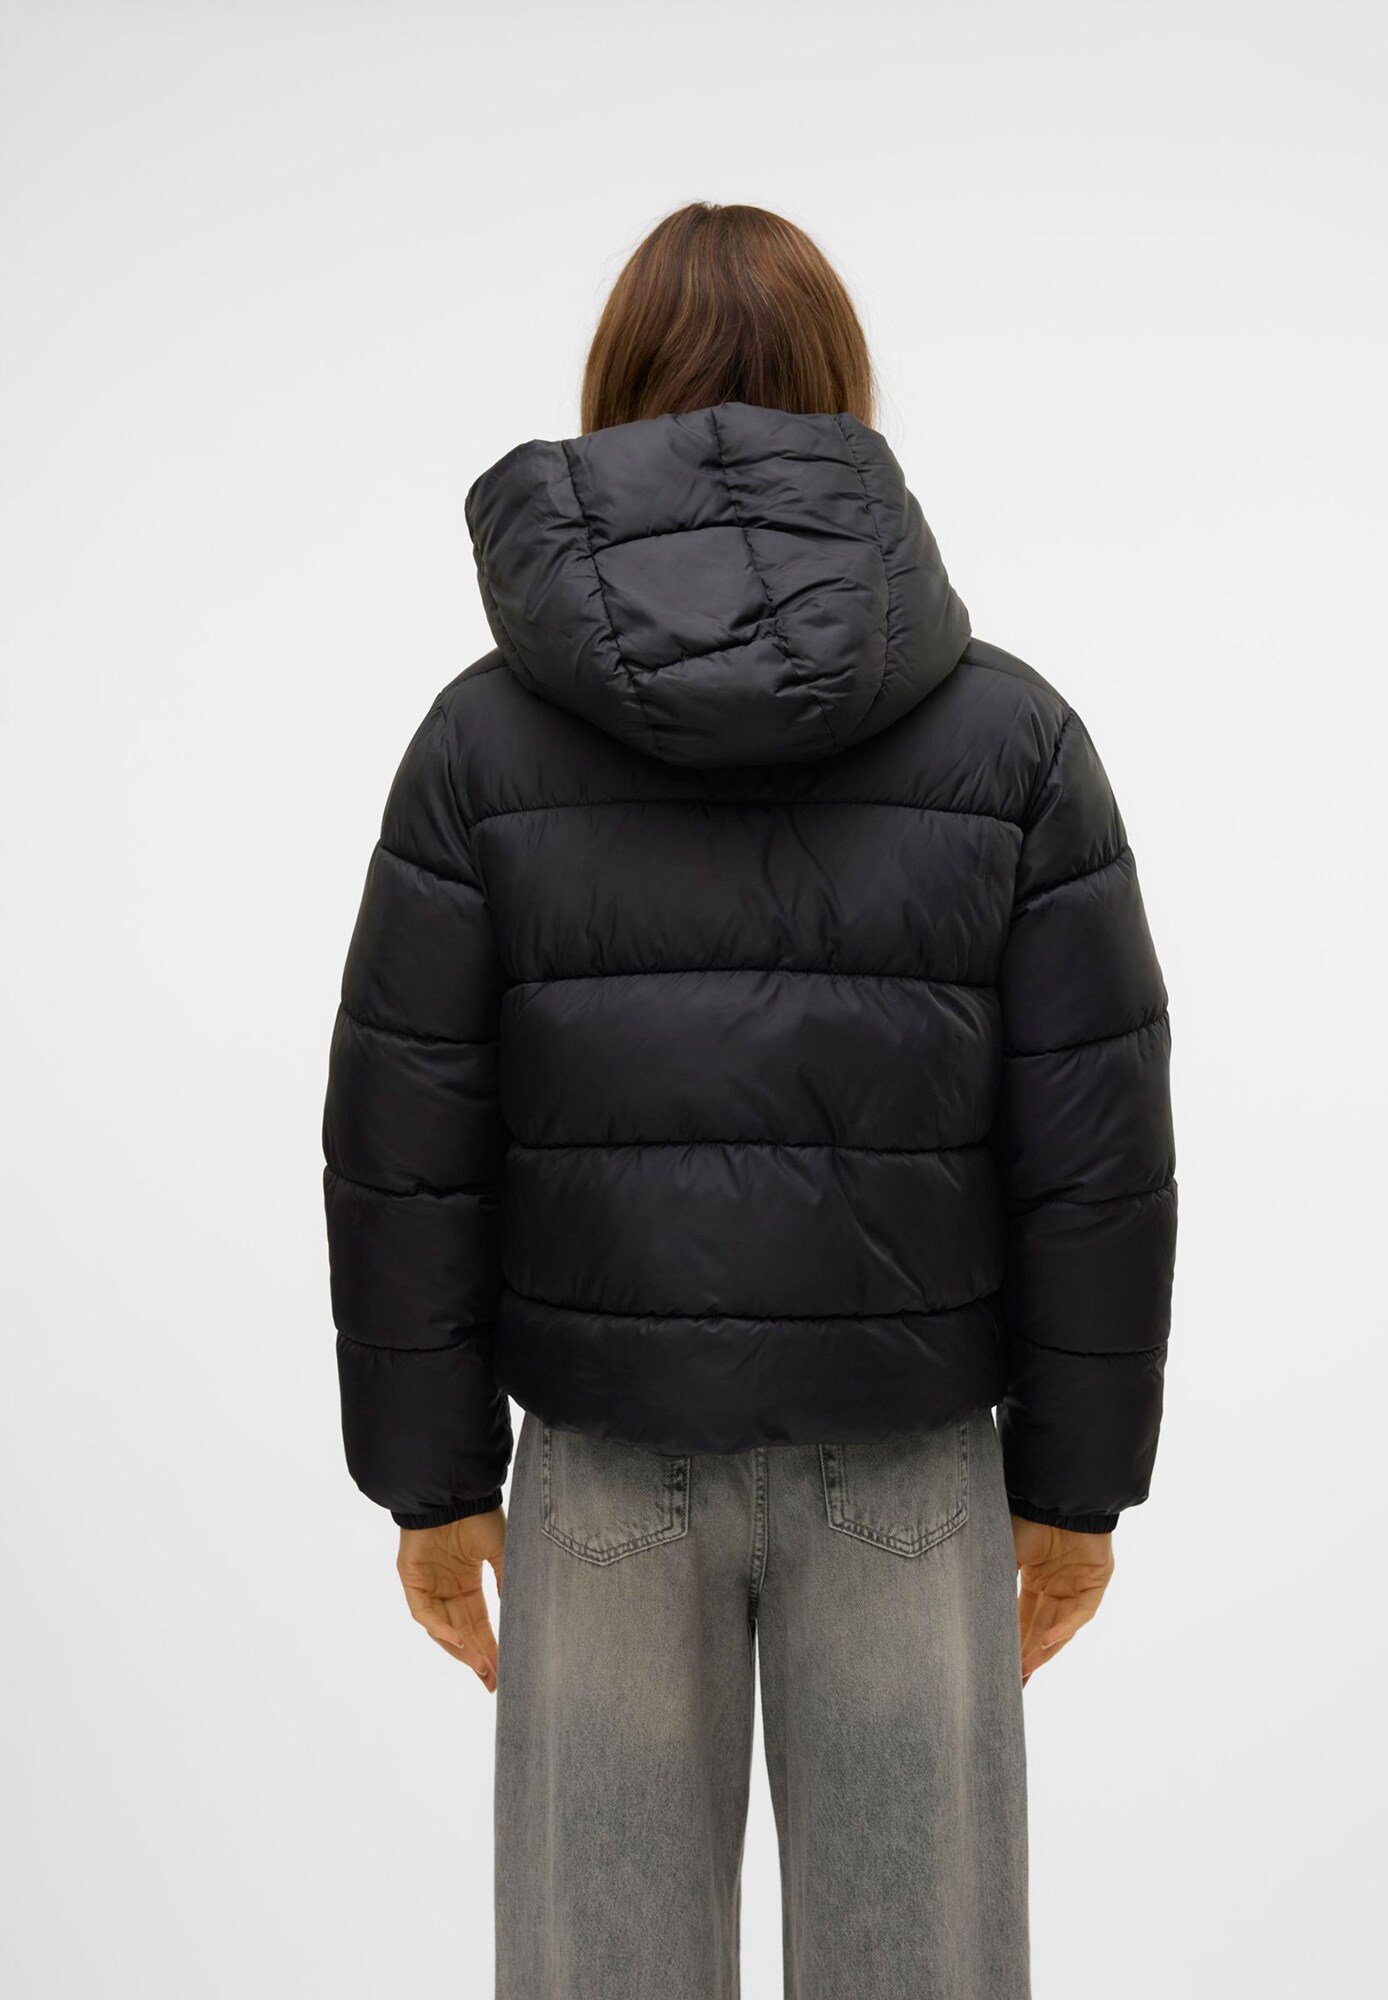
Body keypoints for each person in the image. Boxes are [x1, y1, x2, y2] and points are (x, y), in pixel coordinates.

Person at [322, 201, 1176, 2000]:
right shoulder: (1012, 741)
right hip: (913, 1465)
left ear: (614, 393)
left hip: (604, 1466)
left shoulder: (480, 743)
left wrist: (430, 1481)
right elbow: (1093, 1151)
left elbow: (407, 1140)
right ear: (846, 397)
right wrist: (1079, 1487)